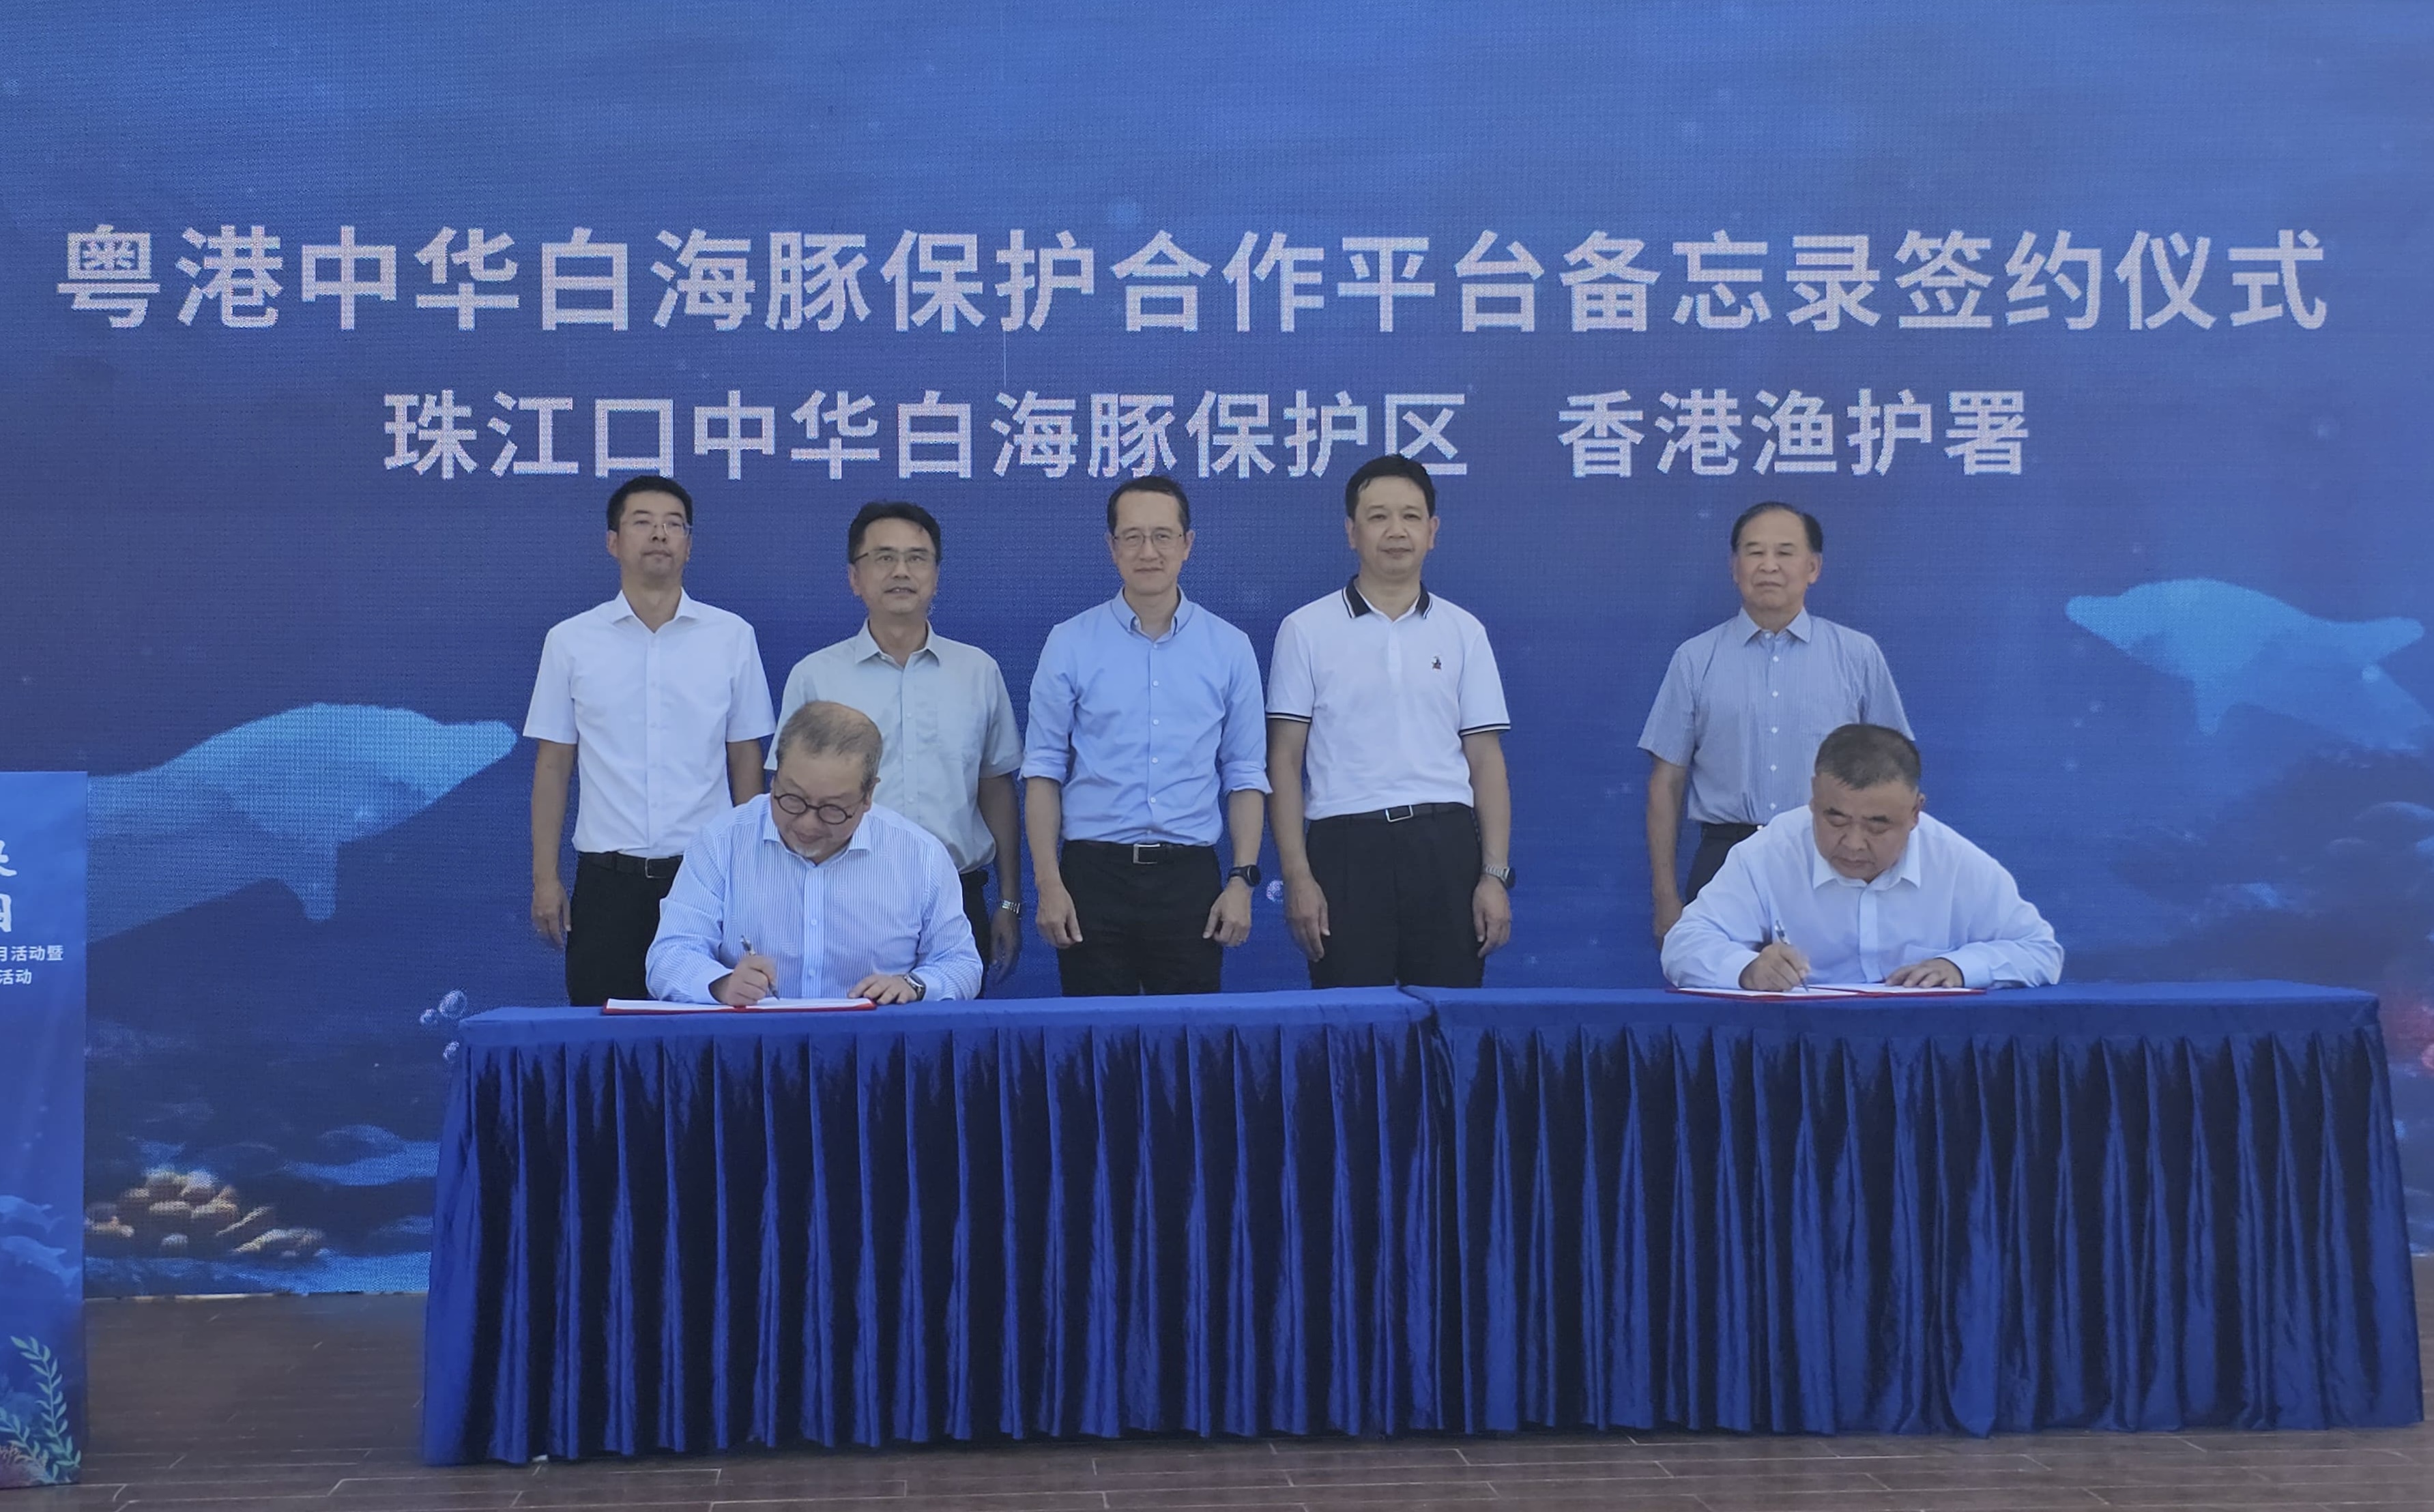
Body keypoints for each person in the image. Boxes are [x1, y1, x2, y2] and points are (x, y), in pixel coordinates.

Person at [525, 475, 774, 1006]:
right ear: (613, 542)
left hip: (704, 878)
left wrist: (750, 875)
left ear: (689, 545)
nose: (659, 534)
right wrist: (545, 879)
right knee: (605, 1032)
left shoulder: (731, 637)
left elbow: (745, 759)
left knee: (710, 1031)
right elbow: (553, 765)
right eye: (642, 522)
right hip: (607, 882)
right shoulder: (570, 641)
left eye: (673, 524)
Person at [1267, 454, 1513, 989]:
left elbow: (1485, 759)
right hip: (1344, 850)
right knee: (1350, 1023)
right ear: (1351, 532)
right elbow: (1283, 761)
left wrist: (1493, 875)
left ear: (1432, 532)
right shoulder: (1305, 629)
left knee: (1447, 1018)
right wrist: (1297, 876)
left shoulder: (1463, 631)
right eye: (1377, 517)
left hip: (1445, 847)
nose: (1395, 531)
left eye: (1410, 516)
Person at [1023, 476, 1268, 996]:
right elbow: (1043, 769)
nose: (1148, 552)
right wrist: (1048, 884)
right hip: (1093, 877)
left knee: (1187, 1039)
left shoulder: (1228, 647)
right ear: (1112, 547)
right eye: (1132, 537)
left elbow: (1245, 774)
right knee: (1094, 1039)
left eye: (1162, 536)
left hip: (1189, 881)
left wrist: (1241, 881)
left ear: (1187, 544)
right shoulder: (1070, 642)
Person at [770, 501, 1023, 989]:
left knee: (951, 1034)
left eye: (917, 558)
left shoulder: (977, 671)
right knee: (843, 1029)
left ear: (936, 576)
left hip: (956, 895)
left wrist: (1009, 902)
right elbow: (785, 796)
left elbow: (996, 788)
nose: (901, 572)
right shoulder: (815, 675)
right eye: (884, 558)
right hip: (839, 895)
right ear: (855, 577)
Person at [1639, 501, 1910, 943]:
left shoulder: (1857, 656)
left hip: (1832, 857)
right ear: (1734, 567)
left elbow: (1896, 777)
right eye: (1754, 552)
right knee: (1724, 984)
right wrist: (1665, 896)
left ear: (1813, 567)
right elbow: (1665, 783)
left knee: (1829, 983)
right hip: (1725, 861)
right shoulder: (1695, 659)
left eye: (1784, 552)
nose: (1769, 566)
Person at [1661, 723, 2061, 991]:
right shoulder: (1769, 853)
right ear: (1814, 798)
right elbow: (1684, 944)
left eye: (1877, 825)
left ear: (1916, 813)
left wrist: (1961, 968)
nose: (1853, 843)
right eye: (1834, 818)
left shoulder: (1955, 862)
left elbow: (2041, 952)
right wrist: (1746, 970)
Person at [647, 701, 983, 1004]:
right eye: (793, 799)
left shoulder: (920, 856)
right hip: (754, 1045)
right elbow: (670, 954)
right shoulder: (722, 842)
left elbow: (961, 963)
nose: (808, 824)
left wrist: (914, 985)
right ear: (775, 778)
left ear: (868, 796)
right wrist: (721, 984)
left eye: (832, 809)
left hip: (873, 1046)